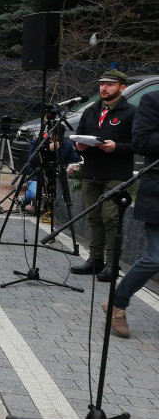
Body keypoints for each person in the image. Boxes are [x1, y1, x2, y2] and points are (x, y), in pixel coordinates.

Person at [72, 70, 136, 281]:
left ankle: (112, 263)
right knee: (93, 216)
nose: (104, 88)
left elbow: (138, 144)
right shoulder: (91, 110)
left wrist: (117, 147)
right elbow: (80, 138)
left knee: (110, 217)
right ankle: (95, 259)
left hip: (116, 174)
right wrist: (80, 147)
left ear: (122, 87)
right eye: (101, 84)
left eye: (110, 84)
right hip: (92, 172)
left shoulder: (131, 112)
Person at [106, 89, 159, 338]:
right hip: (158, 193)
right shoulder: (153, 100)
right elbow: (142, 142)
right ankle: (118, 302)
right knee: (155, 258)